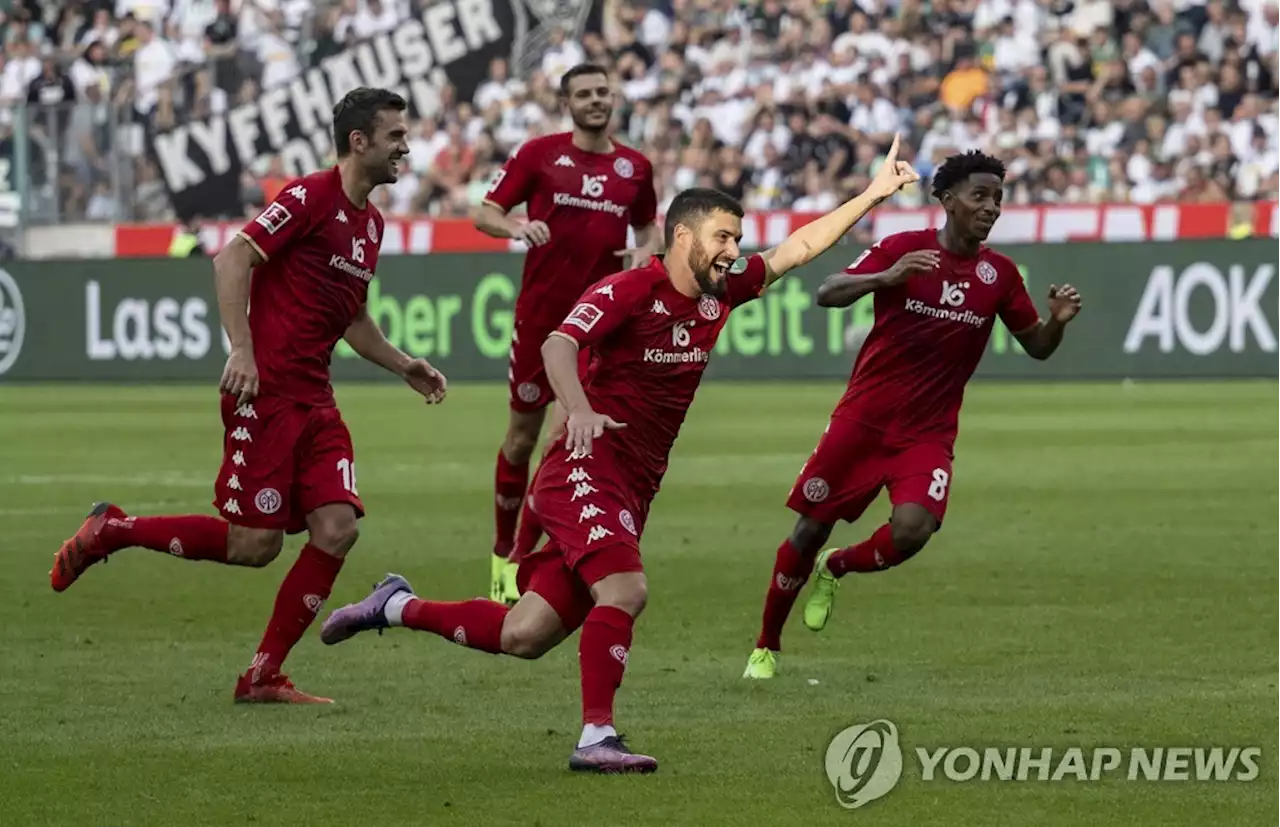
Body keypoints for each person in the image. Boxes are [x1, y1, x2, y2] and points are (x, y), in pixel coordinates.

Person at [319, 137, 921, 773]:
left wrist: (874, 194)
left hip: (633, 484)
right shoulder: (630, 290)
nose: (732, 250)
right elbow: (557, 345)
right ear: (682, 237)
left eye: (736, 238)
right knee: (626, 589)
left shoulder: (724, 292)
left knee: (525, 635)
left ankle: (392, 605)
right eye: (721, 237)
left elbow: (797, 249)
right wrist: (577, 407)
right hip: (584, 466)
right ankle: (596, 737)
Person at [49, 88, 449, 704]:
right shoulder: (309, 196)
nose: (406, 145)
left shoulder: (370, 224)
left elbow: (351, 317)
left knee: (338, 528)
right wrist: (241, 348)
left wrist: (403, 366)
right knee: (254, 546)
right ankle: (114, 531)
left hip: (315, 399)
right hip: (265, 394)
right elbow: (232, 258)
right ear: (359, 141)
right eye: (395, 135)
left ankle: (262, 675)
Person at [743, 150, 1083, 680]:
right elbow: (827, 292)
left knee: (912, 530)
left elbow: (1036, 346)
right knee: (808, 530)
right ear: (948, 201)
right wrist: (887, 277)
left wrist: (1057, 322)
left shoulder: (1000, 275)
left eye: (997, 197)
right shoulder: (905, 249)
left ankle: (837, 567)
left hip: (926, 434)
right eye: (979, 196)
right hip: (862, 421)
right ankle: (766, 645)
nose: (991, 206)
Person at [474, 62, 662, 606]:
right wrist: (515, 226)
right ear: (568, 102)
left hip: (599, 327)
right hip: (540, 321)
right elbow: (486, 213)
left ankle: (519, 565)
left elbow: (648, 225)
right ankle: (500, 549)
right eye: (585, 93)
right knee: (521, 440)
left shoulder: (635, 167)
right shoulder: (540, 155)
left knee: (562, 441)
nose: (597, 100)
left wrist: (646, 251)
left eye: (604, 91)